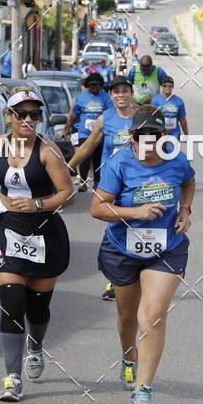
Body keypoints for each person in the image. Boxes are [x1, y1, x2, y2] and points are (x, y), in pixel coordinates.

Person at [0, 89, 74, 402]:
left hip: (42, 232)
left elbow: (67, 193)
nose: (28, 120)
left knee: (38, 307)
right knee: (12, 304)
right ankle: (12, 378)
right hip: (5, 229)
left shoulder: (48, 152)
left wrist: (38, 204)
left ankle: (36, 346)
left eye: (34, 114)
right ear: (9, 117)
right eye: (21, 114)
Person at [91, 106, 195, 404]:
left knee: (152, 316)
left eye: (153, 136)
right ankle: (128, 355)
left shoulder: (176, 160)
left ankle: (143, 390)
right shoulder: (119, 163)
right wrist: (134, 213)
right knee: (127, 317)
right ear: (131, 138)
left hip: (166, 248)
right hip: (123, 248)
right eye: (140, 137)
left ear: (163, 137)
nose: (146, 143)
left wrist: (186, 209)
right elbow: (98, 208)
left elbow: (188, 182)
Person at [67, 75, 139, 302]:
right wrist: (66, 168)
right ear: (111, 95)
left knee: (137, 228)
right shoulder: (104, 119)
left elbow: (161, 147)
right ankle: (116, 281)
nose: (120, 95)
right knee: (115, 230)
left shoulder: (143, 117)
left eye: (124, 91)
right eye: (116, 91)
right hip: (111, 184)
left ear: (131, 93)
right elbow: (87, 147)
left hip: (138, 182)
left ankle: (139, 277)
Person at [62, 72, 114, 192]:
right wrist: (66, 129)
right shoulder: (81, 97)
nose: (94, 88)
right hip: (84, 132)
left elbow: (110, 114)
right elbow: (73, 116)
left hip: (100, 133)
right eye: (91, 86)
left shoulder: (105, 97)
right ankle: (83, 182)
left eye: (96, 85)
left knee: (98, 158)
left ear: (100, 85)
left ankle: (97, 183)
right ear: (87, 85)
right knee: (84, 157)